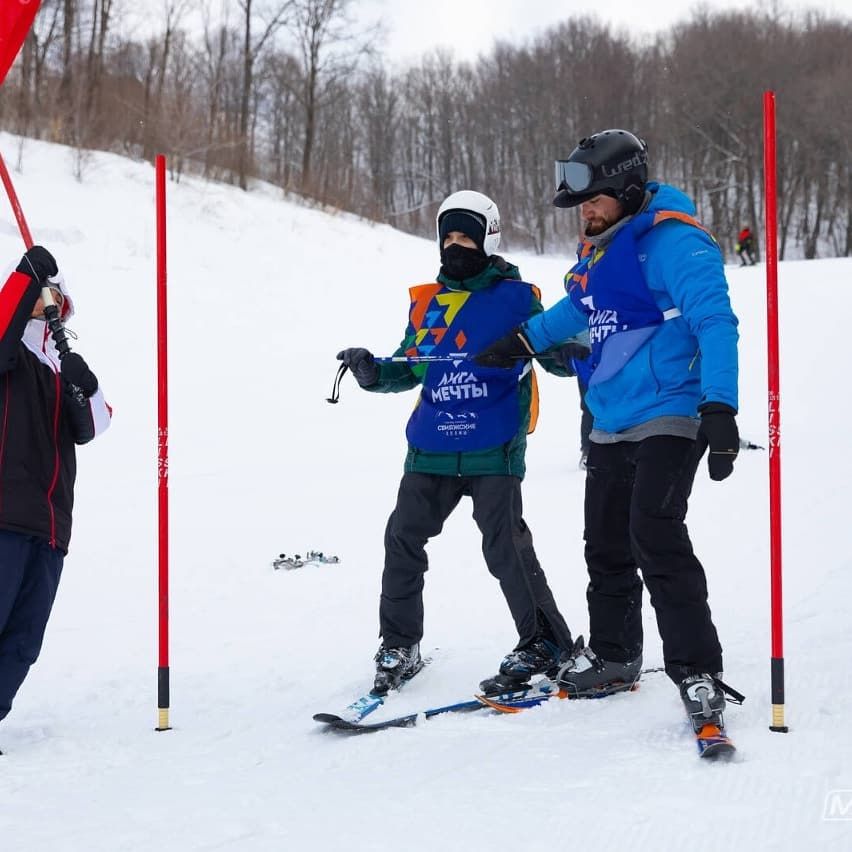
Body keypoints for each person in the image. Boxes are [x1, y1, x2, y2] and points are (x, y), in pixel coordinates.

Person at [473, 130, 742, 731]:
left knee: (655, 533)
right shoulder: (599, 255)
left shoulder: (677, 244)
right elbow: (576, 311)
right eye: (581, 204)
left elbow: (716, 321)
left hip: (673, 411)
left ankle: (697, 670)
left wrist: (721, 406)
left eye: (594, 200)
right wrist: (521, 342)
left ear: (625, 189)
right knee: (605, 544)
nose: (586, 212)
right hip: (612, 418)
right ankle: (617, 655)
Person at [337, 190, 579, 696]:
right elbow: (410, 365)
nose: (455, 245)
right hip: (431, 445)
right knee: (402, 537)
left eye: (466, 236)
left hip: (495, 443)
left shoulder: (519, 297)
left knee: (505, 545)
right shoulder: (428, 302)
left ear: (488, 239)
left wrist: (575, 350)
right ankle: (400, 644)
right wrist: (371, 371)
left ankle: (545, 641)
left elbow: (555, 357)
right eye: (447, 236)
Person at [0, 246, 111, 731]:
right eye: (48, 298)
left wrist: (85, 386)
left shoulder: (58, 362)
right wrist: (26, 277)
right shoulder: (9, 354)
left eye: (58, 301)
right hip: (3, 516)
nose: (52, 308)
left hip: (50, 529)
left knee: (24, 641)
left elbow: (95, 425)